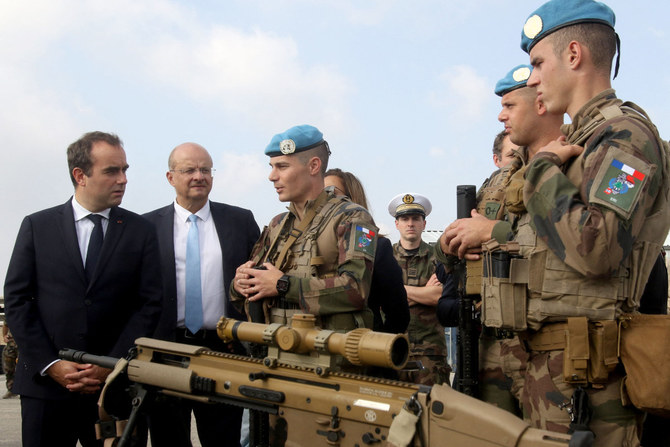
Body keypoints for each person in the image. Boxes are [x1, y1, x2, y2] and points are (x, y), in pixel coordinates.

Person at [514, 0, 670, 442]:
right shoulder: (583, 137)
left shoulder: (626, 136)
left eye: (538, 63)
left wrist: (542, 170)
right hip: (559, 371)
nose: (534, 78)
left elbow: (597, 248)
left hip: (591, 384)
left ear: (575, 55)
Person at [4, 131, 162, 447]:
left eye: (125, 170)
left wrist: (111, 365)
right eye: (112, 171)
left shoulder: (140, 231)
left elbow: (150, 304)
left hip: (114, 391)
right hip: (45, 389)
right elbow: (18, 301)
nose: (123, 179)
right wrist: (51, 364)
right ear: (81, 175)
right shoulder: (37, 226)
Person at [143, 142, 260, 447]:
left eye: (205, 169)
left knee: (223, 438)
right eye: (189, 170)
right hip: (166, 350)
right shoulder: (144, 226)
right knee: (168, 437)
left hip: (223, 349)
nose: (199, 176)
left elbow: (259, 279)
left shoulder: (240, 221)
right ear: (170, 177)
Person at [231, 125, 378, 351]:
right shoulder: (277, 225)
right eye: (271, 167)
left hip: (329, 360)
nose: (272, 176)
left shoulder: (352, 217)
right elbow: (253, 287)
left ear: (313, 166)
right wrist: (241, 284)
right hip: (276, 353)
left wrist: (282, 285)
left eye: (282, 166)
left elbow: (356, 289)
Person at [324, 168, 409, 334]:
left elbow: (398, 314)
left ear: (352, 199)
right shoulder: (307, 246)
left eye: (332, 191)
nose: (325, 198)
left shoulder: (377, 246)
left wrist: (377, 346)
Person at [388, 193, 450, 386]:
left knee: (434, 409)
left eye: (416, 218)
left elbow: (439, 296)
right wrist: (423, 293)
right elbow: (379, 298)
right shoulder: (384, 257)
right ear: (397, 224)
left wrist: (397, 292)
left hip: (430, 352)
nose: (410, 223)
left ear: (424, 223)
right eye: (404, 219)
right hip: (391, 348)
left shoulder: (438, 258)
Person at [2, 323, 18, 399]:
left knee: (26, 368)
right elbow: (5, 324)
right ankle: (11, 389)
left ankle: (27, 390)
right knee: (8, 367)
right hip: (11, 344)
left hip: (24, 344)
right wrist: (4, 336)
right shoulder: (11, 311)